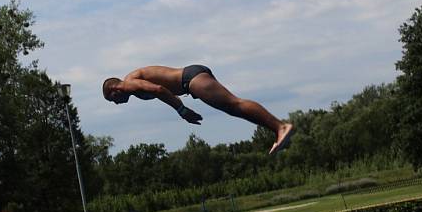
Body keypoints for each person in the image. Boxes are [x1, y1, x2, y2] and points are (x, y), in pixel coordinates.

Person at [102, 65, 294, 154]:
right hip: (191, 79)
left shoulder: (127, 84)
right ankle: (277, 131)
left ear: (114, 90)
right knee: (233, 109)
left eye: (112, 100)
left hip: (190, 80)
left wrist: (181, 110)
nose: (116, 103)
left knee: (234, 104)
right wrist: (179, 105)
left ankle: (280, 127)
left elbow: (158, 89)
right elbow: (161, 89)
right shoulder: (132, 81)